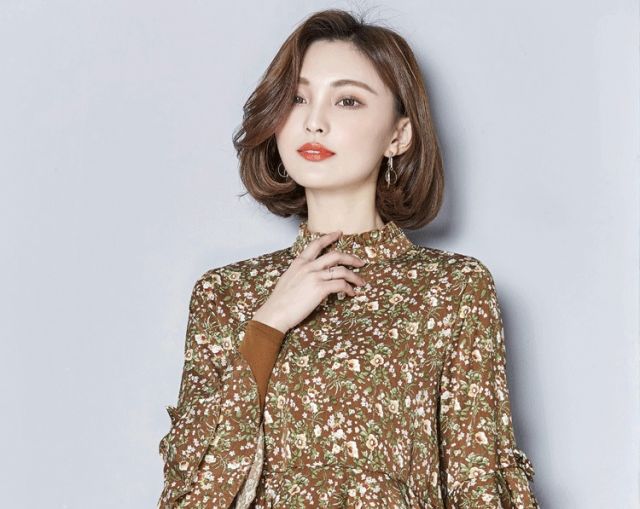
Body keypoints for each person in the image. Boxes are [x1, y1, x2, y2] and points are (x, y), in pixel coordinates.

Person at [157, 8, 540, 509]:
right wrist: (268, 324)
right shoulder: (226, 294)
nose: (313, 121)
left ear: (398, 135)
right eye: (297, 98)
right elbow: (192, 492)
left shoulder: (452, 290)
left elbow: (478, 484)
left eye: (347, 100)